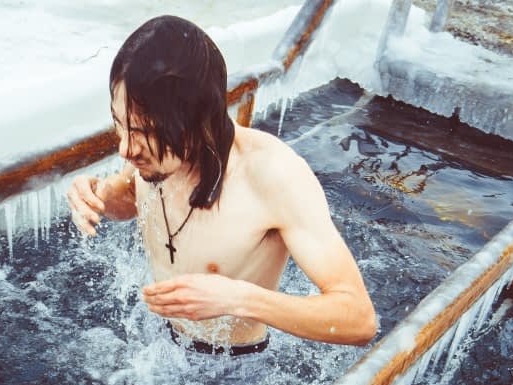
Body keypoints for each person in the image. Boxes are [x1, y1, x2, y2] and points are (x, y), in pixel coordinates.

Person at [66, 15, 376, 355]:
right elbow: (130, 196)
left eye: (146, 132)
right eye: (119, 125)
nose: (125, 148)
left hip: (236, 369)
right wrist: (100, 196)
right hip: (158, 343)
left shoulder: (273, 175)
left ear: (199, 119)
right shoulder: (157, 155)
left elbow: (359, 319)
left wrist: (238, 298)